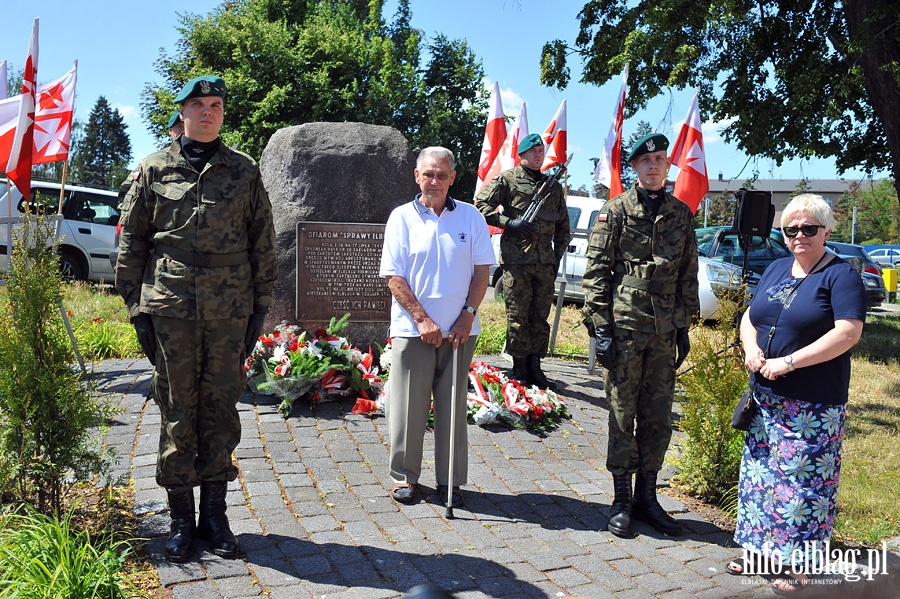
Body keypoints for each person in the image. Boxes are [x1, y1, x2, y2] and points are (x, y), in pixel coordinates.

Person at [115, 75, 277, 562]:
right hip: (171, 308)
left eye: (216, 105)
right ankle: (181, 518)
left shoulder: (245, 171)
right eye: (198, 105)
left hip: (230, 310)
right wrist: (135, 307)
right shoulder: (152, 170)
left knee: (221, 410)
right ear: (182, 112)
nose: (208, 112)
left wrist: (260, 308)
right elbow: (133, 243)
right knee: (178, 410)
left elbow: (262, 243)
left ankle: (215, 515)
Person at [728, 194, 866, 595]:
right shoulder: (775, 268)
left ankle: (799, 565)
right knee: (760, 480)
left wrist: (789, 363)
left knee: (803, 488)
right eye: (792, 229)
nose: (800, 235)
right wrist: (752, 350)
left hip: (812, 403)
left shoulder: (841, 276)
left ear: (825, 231)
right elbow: (749, 319)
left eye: (809, 228)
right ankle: (759, 554)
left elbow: (848, 332)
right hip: (765, 399)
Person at [581, 133, 699, 538]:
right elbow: (596, 273)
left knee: (658, 414)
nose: (653, 166)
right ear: (634, 167)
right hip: (624, 326)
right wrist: (599, 328)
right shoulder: (615, 211)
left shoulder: (681, 213)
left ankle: (648, 496)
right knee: (621, 412)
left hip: (665, 329)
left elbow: (688, 272)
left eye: (660, 159)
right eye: (645, 160)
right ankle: (621, 498)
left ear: (668, 167)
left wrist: (684, 324)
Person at [379, 147, 494, 506]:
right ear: (417, 176)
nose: (434, 181)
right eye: (428, 174)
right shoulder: (401, 218)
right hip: (414, 331)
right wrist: (422, 319)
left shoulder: (472, 217)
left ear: (452, 178)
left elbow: (481, 272)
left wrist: (468, 314)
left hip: (460, 333)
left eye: (441, 175)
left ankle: (449, 481)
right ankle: (404, 478)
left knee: (452, 408)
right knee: (408, 408)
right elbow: (394, 278)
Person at [475, 133, 571, 390]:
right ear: (523, 154)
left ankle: (535, 367)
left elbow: (563, 226)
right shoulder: (508, 179)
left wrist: (556, 258)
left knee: (540, 316)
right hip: (517, 263)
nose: (539, 155)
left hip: (544, 264)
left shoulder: (552, 186)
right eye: (534, 151)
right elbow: (481, 205)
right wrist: (509, 224)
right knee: (518, 315)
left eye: (541, 151)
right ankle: (518, 367)